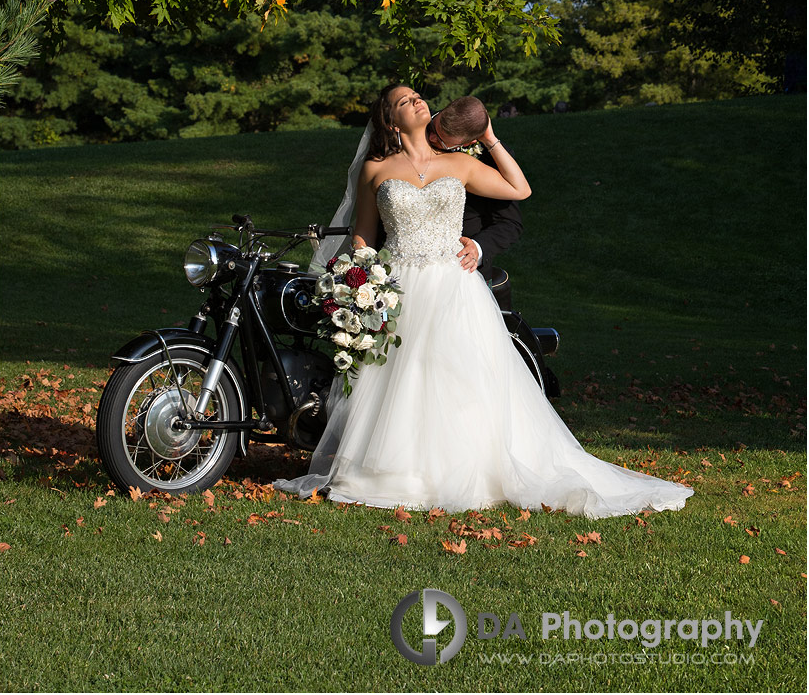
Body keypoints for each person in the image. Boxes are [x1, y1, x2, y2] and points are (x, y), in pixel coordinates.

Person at [273, 84, 694, 517]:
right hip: (399, 289)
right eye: (405, 101)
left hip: (454, 287)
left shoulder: (460, 163)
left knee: (460, 377)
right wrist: (360, 280)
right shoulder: (376, 169)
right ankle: (399, 475)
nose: (418, 101)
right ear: (390, 121)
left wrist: (489, 136)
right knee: (405, 379)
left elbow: (520, 188)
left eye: (419, 96)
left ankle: (469, 471)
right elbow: (363, 233)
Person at [425, 96, 522, 282]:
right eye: (432, 128)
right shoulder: (416, 124)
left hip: (460, 266)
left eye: (440, 140)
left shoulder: (493, 159)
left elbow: (510, 223)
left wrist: (477, 248)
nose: (430, 138)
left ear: (469, 143)